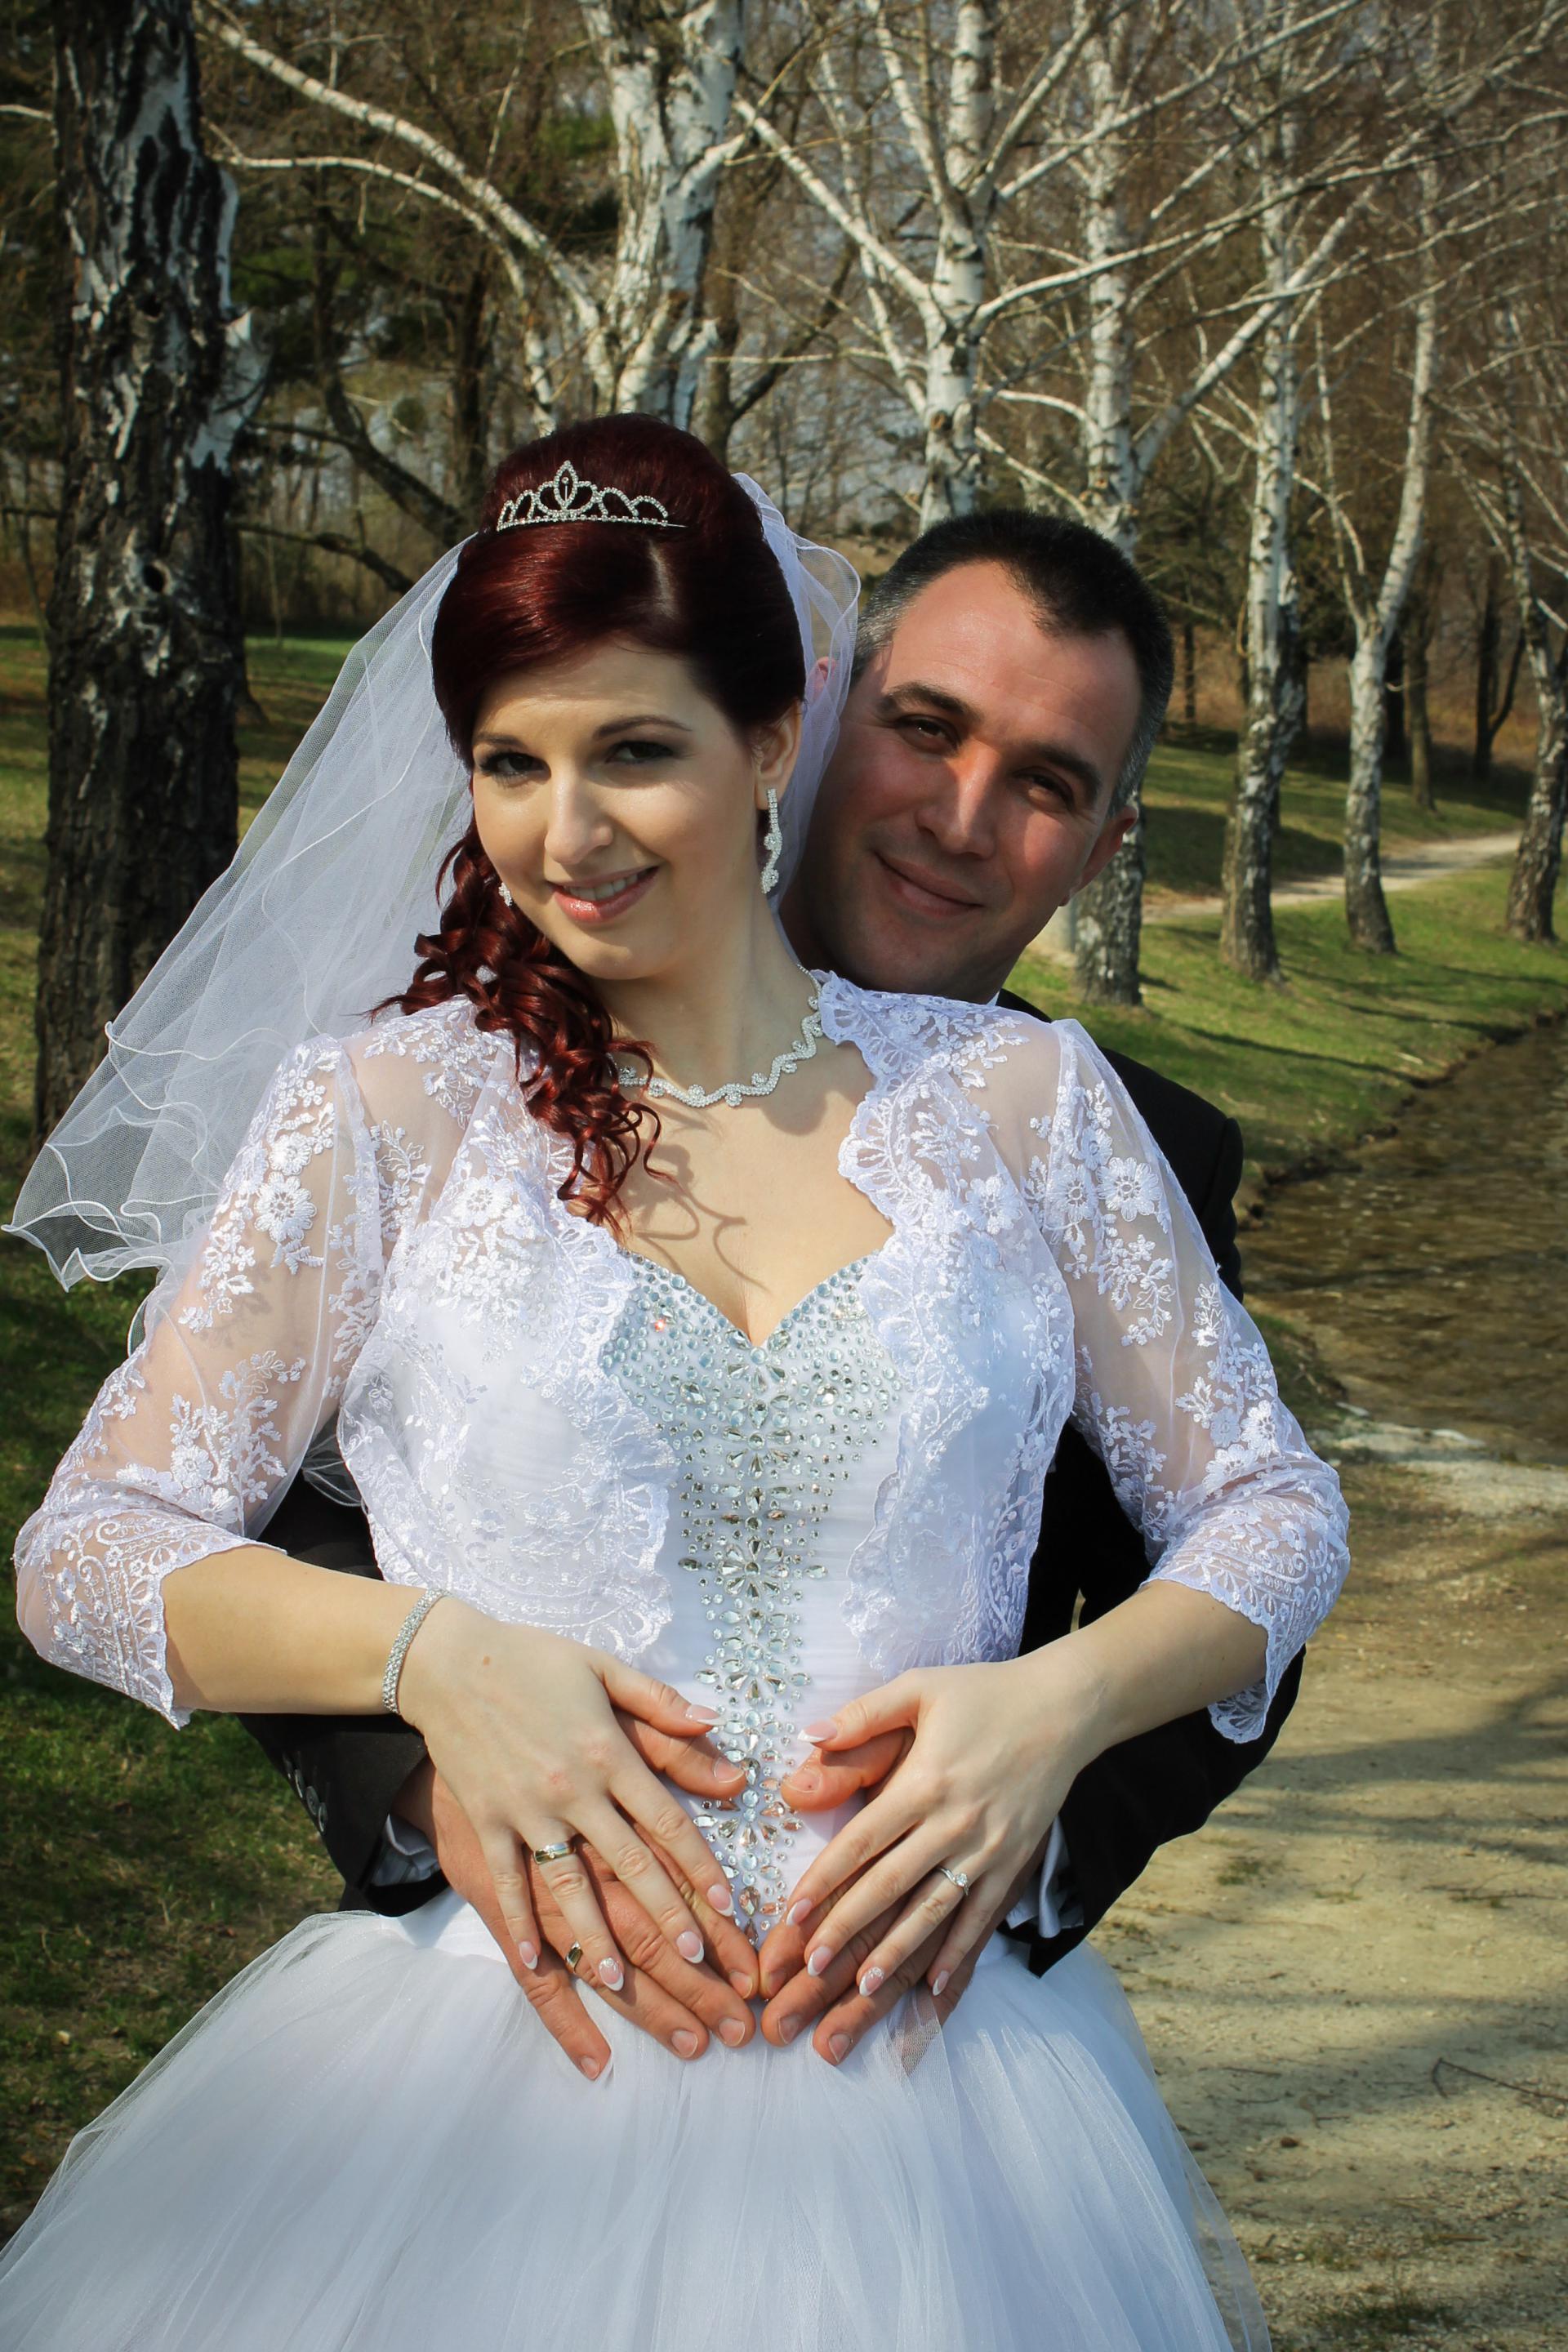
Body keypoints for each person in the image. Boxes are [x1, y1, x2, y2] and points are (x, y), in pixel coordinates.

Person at [2, 416, 1348, 2350]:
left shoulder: (1030, 1108)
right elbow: (88, 1551)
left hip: (938, 2118)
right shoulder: (387, 1112)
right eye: (510, 763)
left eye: (634, 751)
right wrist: (431, 1662)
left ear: (771, 737)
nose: (567, 831)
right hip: (491, 2085)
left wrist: (1054, 1709)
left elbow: (1275, 1508)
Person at [248, 503, 1290, 2082]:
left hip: (906, 2031)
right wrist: (416, 1765)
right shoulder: (439, 1090)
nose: (959, 816)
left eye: (1045, 784)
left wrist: (1036, 1798)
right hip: (515, 1995)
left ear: (1102, 848)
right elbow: (264, 1497)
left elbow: (1245, 1549)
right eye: (925, 727)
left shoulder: (1120, 1138)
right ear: (806, 720)